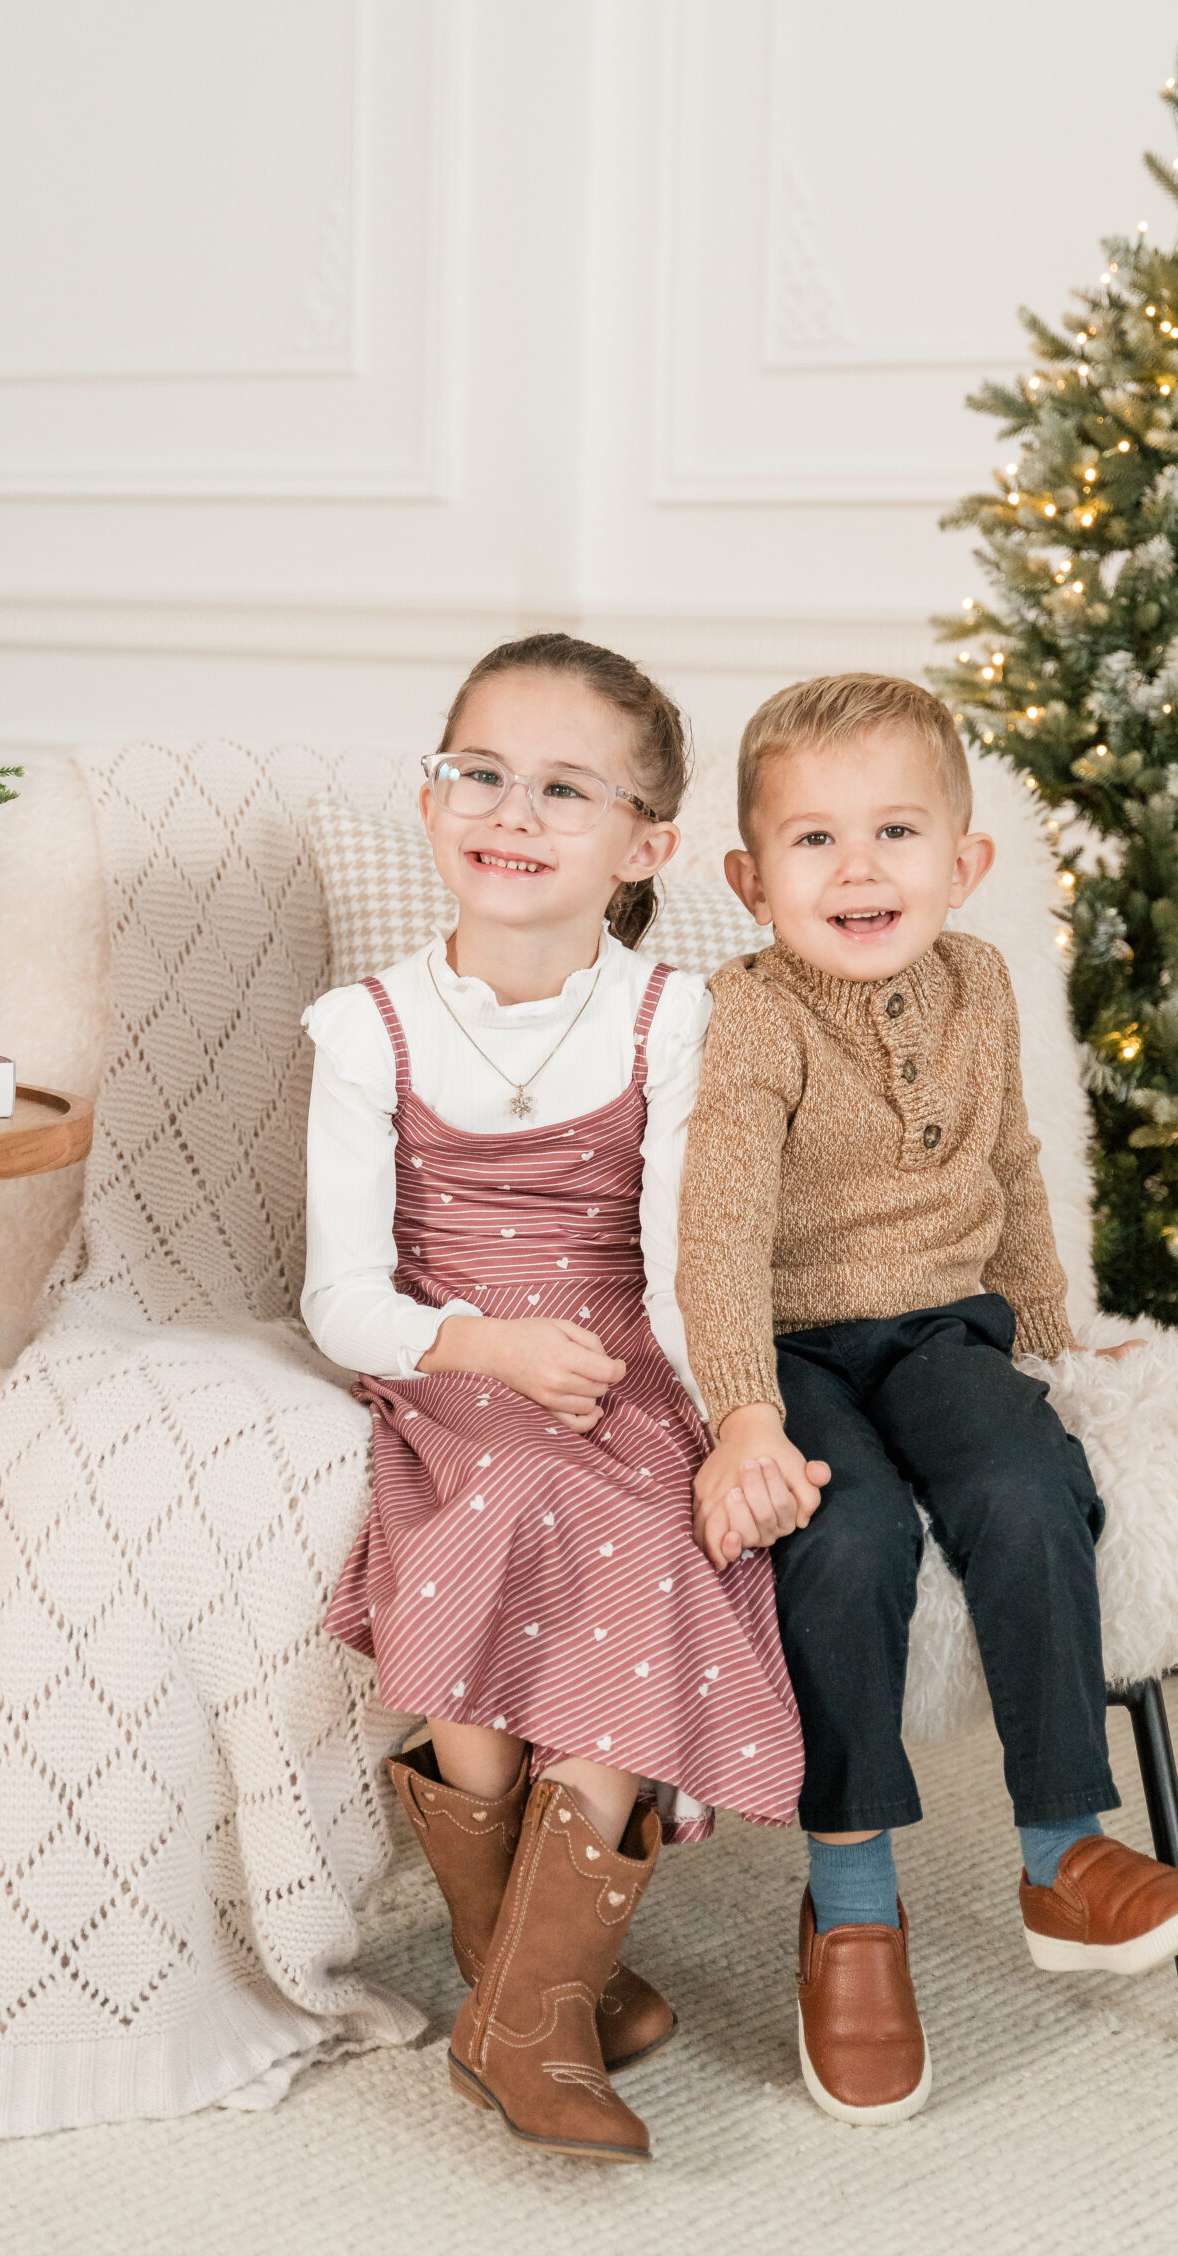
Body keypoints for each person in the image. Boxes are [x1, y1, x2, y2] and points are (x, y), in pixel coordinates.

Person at [674, 673, 1178, 2127]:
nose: (859, 869)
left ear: (963, 864)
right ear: (748, 881)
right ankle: (852, 1906)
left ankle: (1066, 1852)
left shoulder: (981, 982)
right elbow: (717, 1233)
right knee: (847, 1539)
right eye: (813, 842)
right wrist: (742, 1412)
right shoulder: (750, 1021)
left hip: (943, 1330)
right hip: (792, 1343)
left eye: (896, 832)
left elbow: (1010, 1173)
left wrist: (1050, 1334)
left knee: (1029, 1481)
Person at [301, 633, 805, 2166]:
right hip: (454, 1370)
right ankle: (532, 1989)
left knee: (646, 1530)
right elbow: (342, 1302)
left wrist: (732, 1415)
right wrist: (481, 1351)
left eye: (566, 790)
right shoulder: (366, 1028)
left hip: (617, 1356)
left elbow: (675, 1260)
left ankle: (526, 2011)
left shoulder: (668, 1017)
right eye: (482, 772)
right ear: (431, 791)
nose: (511, 812)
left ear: (645, 846)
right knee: (502, 1503)